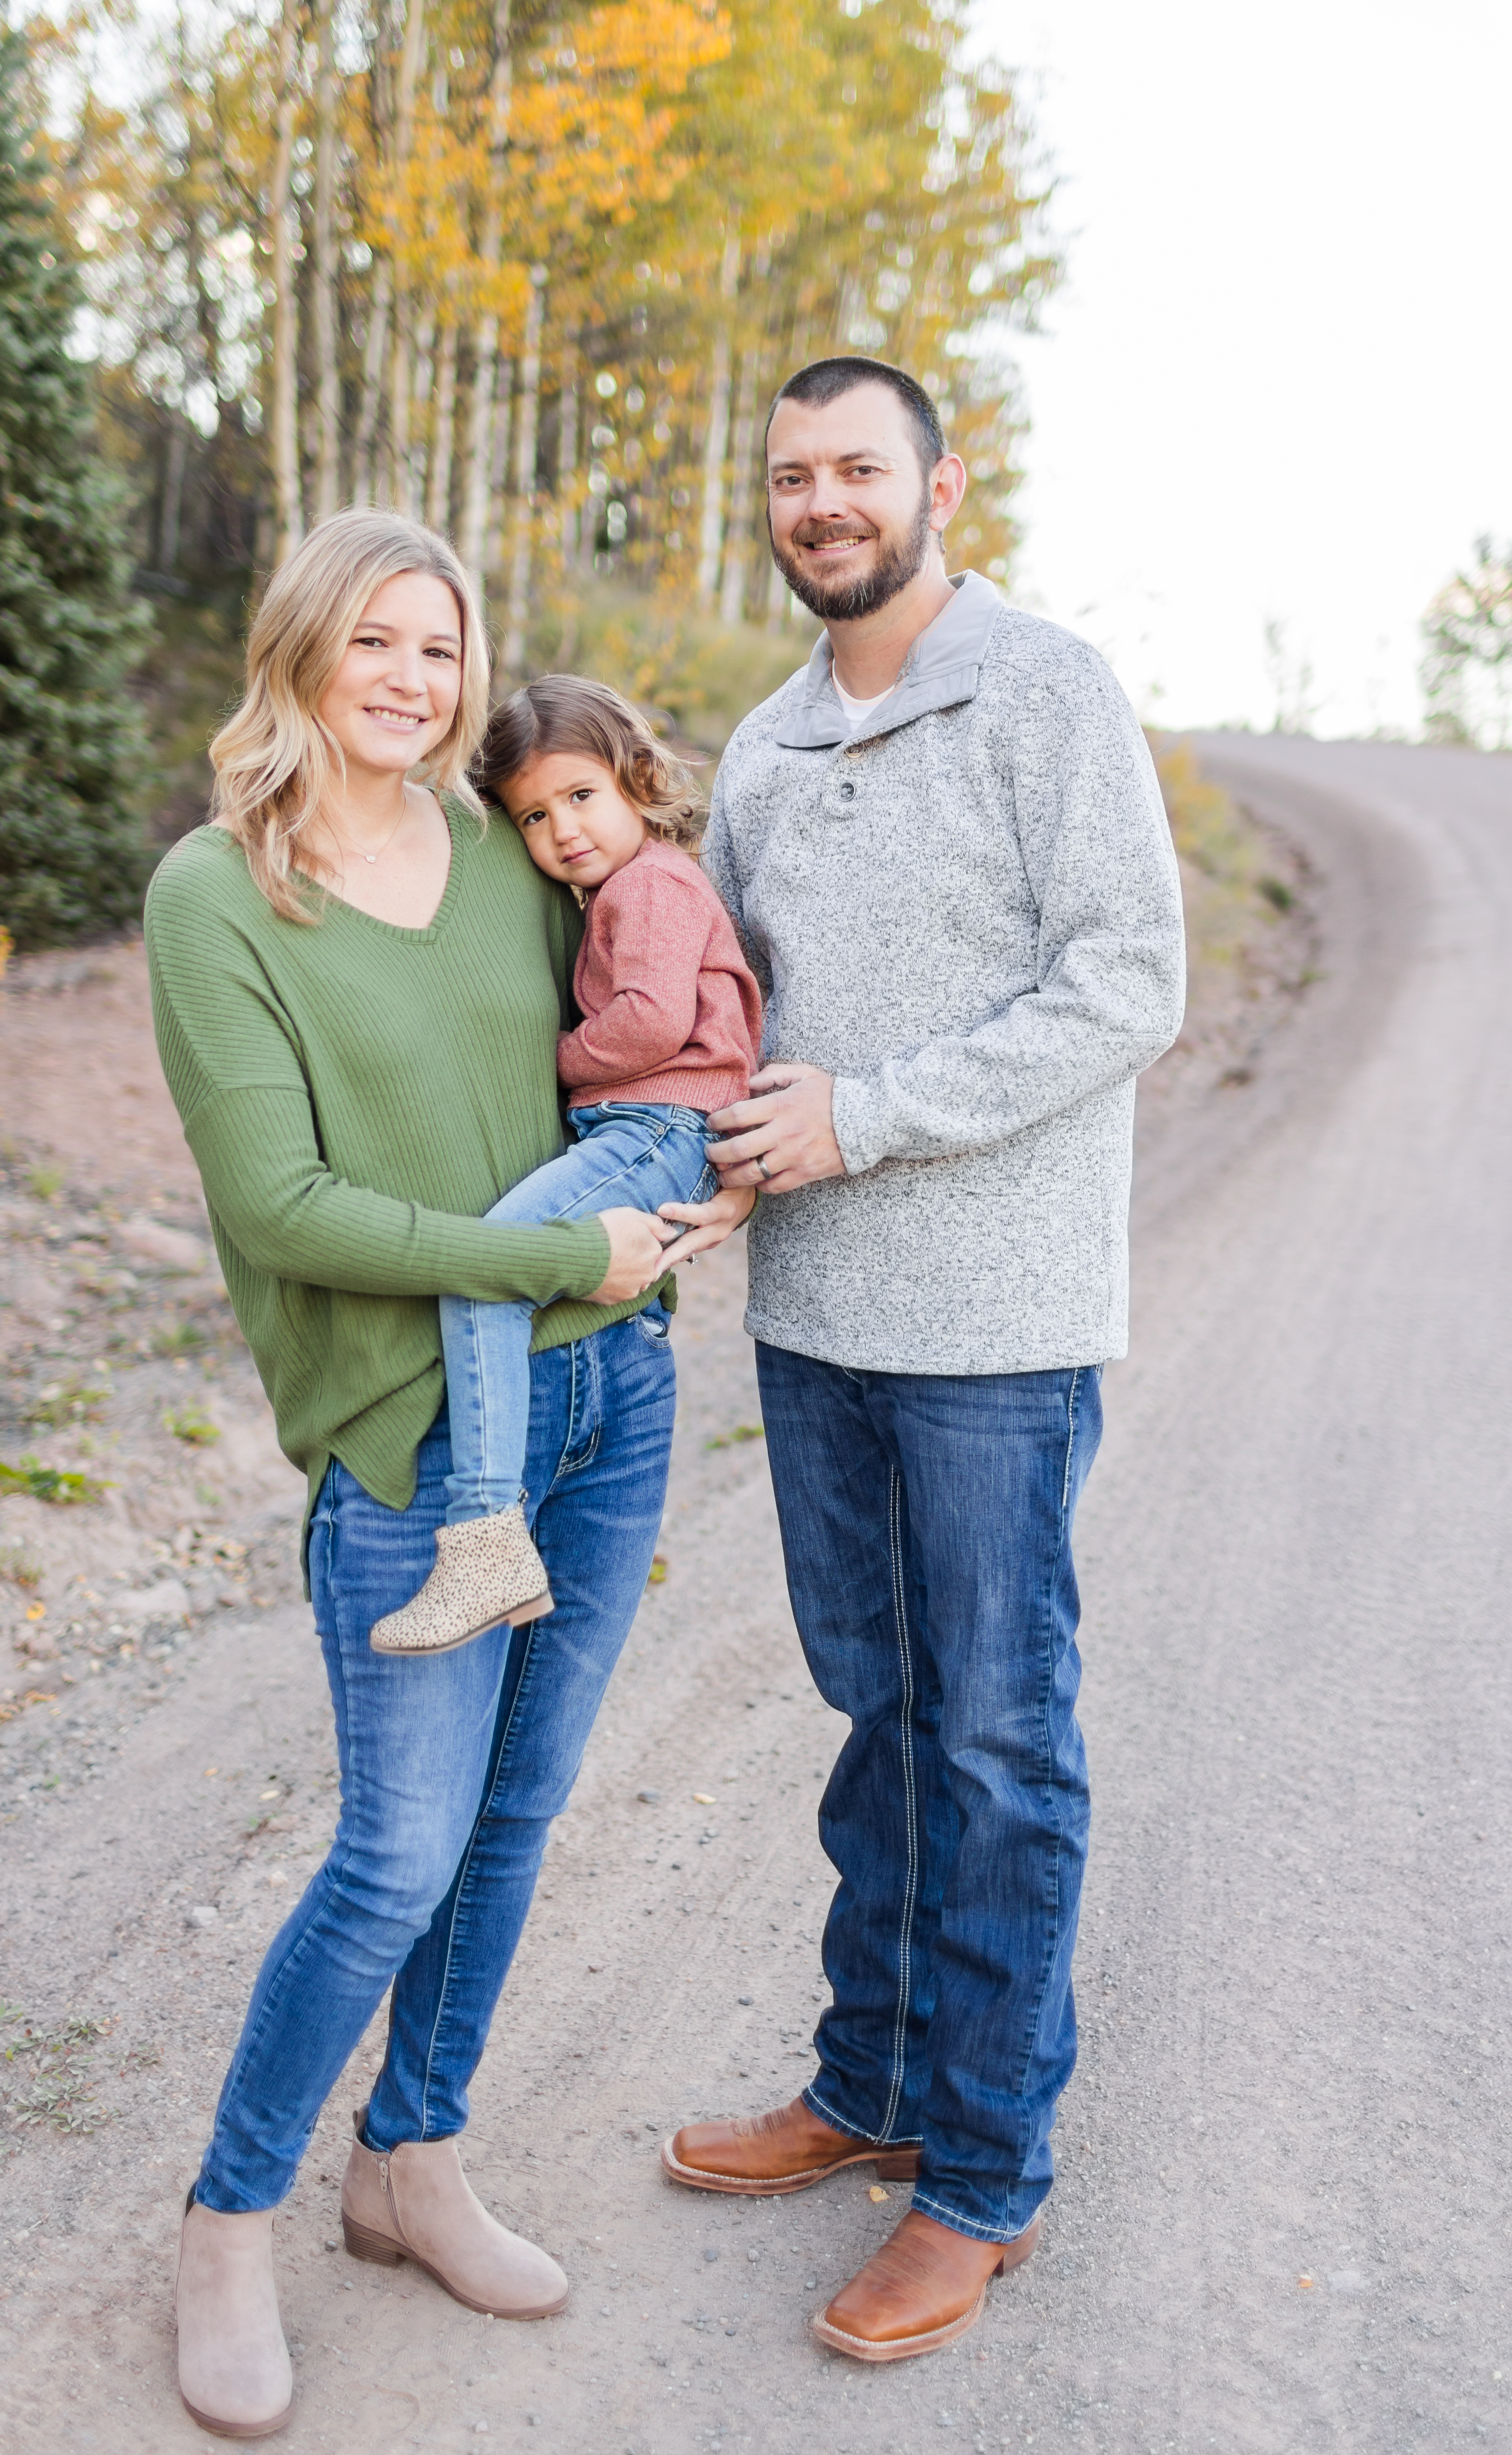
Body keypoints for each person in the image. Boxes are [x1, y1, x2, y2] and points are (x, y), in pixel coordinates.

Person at [143, 509, 748, 2439]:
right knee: (394, 1851)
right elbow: (284, 1205)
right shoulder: (214, 898)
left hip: (610, 1404)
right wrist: (556, 1257)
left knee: (515, 1819)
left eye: (442, 648)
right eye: (377, 642)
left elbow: (633, 1060)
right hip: (416, 1445)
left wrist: (691, 1179)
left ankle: (410, 2158)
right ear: (302, 644)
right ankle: (229, 2219)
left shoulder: (515, 854)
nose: (412, 680)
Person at [660, 358, 1186, 2363]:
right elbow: (712, 1005)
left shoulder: (1044, 690)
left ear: (936, 486)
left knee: (993, 1741)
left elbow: (1131, 975)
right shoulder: (767, 742)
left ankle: (979, 2174)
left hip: (994, 1330)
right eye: (790, 475)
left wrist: (861, 1119)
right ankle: (867, 2078)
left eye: (855, 468)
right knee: (878, 1714)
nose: (821, 503)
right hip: (812, 1322)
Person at [371, 676, 763, 1655]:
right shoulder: (617, 887)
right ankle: (499, 1530)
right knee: (508, 1276)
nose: (564, 831)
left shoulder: (654, 883)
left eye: (582, 797)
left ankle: (485, 1537)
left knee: (487, 1265)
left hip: (657, 1128)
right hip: (646, 1129)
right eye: (535, 816)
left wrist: (542, 1057)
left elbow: (651, 1021)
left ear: (635, 778)